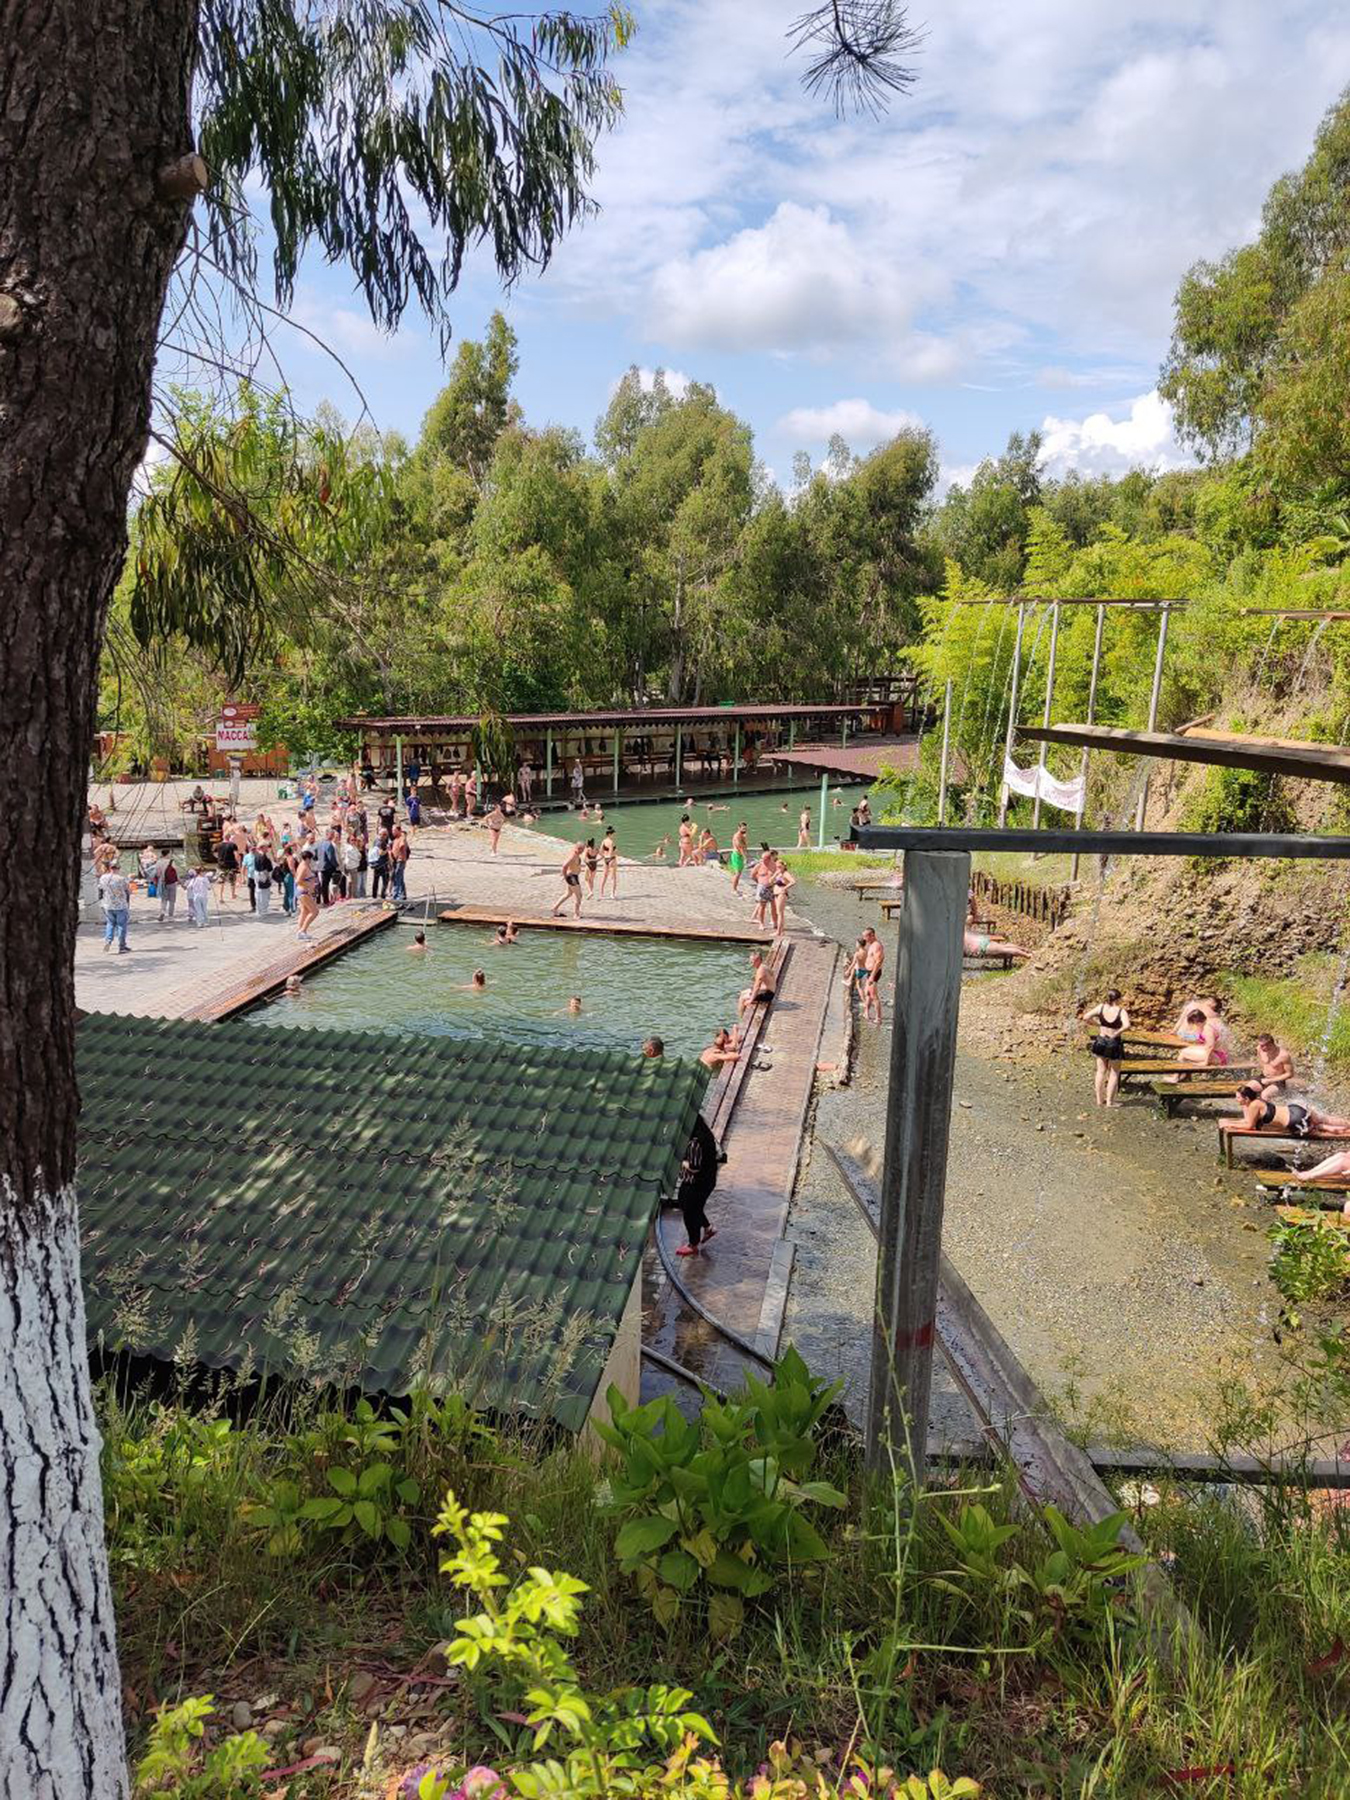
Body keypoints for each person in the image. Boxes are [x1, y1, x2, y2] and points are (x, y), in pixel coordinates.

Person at [1224, 1086, 1350, 1145]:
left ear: (1246, 1098)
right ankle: (1345, 1123)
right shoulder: (1258, 1101)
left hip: (1294, 1121)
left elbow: (1249, 1126)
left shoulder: (1253, 1106)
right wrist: (1232, 1122)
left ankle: (1329, 1128)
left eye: (1238, 1097)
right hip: (1296, 1109)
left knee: (1317, 1129)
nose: (1236, 1099)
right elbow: (1247, 1121)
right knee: (1324, 1118)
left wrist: (1230, 1124)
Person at [1082, 989, 1130, 1107]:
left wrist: (1097, 1024)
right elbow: (1127, 1025)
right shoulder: (1121, 1011)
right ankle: (1110, 1102)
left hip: (1101, 1040)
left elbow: (1085, 1017)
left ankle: (1099, 1100)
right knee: (1114, 1073)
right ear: (1118, 999)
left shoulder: (1101, 1007)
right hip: (1113, 1042)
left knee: (1100, 1071)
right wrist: (1117, 1032)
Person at [98, 863, 131, 954]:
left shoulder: (103, 878)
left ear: (110, 868)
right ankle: (122, 946)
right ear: (118, 868)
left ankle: (108, 941)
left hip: (108, 905)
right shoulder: (121, 879)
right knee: (121, 925)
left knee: (110, 923)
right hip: (120, 905)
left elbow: (100, 888)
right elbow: (128, 890)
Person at [738, 949, 776, 1018]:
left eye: (752, 961)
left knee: (742, 998)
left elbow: (757, 986)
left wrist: (751, 1000)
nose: (751, 963)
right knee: (742, 992)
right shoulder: (763, 966)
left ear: (758, 960)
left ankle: (740, 1018)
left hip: (768, 995)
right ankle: (741, 1014)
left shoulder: (761, 970)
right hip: (768, 991)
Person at [552, 843, 584, 918]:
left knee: (568, 894)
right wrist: (565, 876)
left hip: (574, 876)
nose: (581, 851)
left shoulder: (576, 855)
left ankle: (555, 908)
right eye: (579, 849)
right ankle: (576, 914)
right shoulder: (573, 856)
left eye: (582, 849)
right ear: (576, 848)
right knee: (579, 895)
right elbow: (564, 866)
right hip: (572, 877)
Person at [964, 927, 1031, 961]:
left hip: (980, 947)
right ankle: (1025, 950)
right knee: (1004, 946)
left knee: (1004, 949)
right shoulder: (962, 931)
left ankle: (1027, 955)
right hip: (981, 940)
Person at [295, 848, 320, 942]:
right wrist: (309, 886)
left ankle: (300, 931)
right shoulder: (304, 867)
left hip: (302, 891)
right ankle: (302, 931)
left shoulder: (302, 865)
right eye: (311, 859)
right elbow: (298, 881)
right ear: (308, 858)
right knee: (315, 912)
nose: (311, 861)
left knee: (304, 911)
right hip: (304, 892)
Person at [862, 927, 885, 1024]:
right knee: (867, 993)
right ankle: (866, 1013)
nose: (864, 939)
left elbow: (879, 961)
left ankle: (878, 1018)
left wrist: (872, 976)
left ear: (872, 935)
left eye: (865, 936)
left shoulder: (877, 946)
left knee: (874, 995)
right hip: (869, 972)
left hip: (874, 973)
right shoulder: (871, 945)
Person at [771, 860, 796, 935]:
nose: (778, 868)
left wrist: (785, 888)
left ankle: (778, 931)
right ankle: (781, 931)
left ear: (784, 866)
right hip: (776, 893)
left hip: (781, 894)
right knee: (778, 912)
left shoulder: (786, 873)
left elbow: (793, 881)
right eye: (777, 867)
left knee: (780, 913)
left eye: (780, 867)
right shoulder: (778, 873)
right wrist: (775, 874)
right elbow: (770, 881)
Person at [155, 851, 179, 923]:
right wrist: (179, 881)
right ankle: (170, 916)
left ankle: (162, 912)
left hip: (163, 882)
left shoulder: (159, 862)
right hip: (172, 883)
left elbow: (158, 874)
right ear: (168, 854)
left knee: (164, 899)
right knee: (172, 900)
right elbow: (176, 872)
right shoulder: (171, 862)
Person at [216, 831, 240, 901]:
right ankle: (232, 895)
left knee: (221, 882)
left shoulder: (218, 845)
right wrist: (237, 862)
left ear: (223, 837)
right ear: (229, 837)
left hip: (221, 865)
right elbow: (236, 855)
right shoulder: (233, 845)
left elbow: (215, 853)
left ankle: (220, 897)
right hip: (231, 865)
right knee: (232, 881)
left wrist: (219, 858)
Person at [252, 843, 274, 916]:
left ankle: (260, 909)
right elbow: (266, 867)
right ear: (262, 848)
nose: (267, 848)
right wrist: (268, 876)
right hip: (262, 874)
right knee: (263, 892)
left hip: (258, 874)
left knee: (260, 892)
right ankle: (263, 909)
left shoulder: (257, 855)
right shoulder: (262, 856)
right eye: (266, 847)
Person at [728, 822, 749, 895]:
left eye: (745, 828)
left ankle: (735, 888)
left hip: (740, 855)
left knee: (738, 873)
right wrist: (745, 857)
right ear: (739, 828)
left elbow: (745, 845)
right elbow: (739, 847)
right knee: (737, 873)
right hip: (737, 855)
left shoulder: (742, 836)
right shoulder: (737, 836)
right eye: (743, 828)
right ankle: (734, 889)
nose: (744, 830)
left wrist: (745, 838)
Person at [391, 826, 410, 903]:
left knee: (397, 878)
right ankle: (402, 894)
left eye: (394, 830)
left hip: (400, 860)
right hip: (396, 861)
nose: (393, 832)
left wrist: (399, 855)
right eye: (392, 830)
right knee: (400, 878)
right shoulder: (395, 839)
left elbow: (402, 846)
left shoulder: (401, 838)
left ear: (399, 831)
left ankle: (396, 895)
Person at [599, 828, 619, 898]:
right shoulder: (611, 842)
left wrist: (604, 856)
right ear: (610, 834)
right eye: (613, 834)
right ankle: (612, 894)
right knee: (613, 877)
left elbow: (600, 851)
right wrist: (614, 854)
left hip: (605, 859)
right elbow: (611, 852)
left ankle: (601, 893)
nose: (614, 835)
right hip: (612, 859)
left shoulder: (604, 841)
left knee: (604, 876)